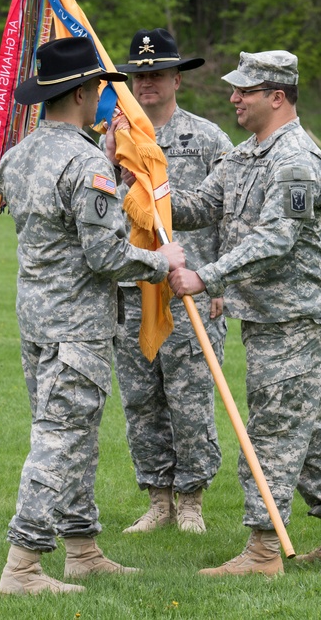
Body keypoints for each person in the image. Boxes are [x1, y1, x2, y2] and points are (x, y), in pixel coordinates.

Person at [0, 37, 186, 595]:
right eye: (100, 89)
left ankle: (81, 549)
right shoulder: (83, 164)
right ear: (81, 92)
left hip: (37, 319)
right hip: (76, 325)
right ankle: (23, 566)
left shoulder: (20, 154)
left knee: (71, 437)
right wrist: (161, 259)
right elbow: (104, 255)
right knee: (60, 442)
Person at [167, 51, 321, 576]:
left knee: (272, 432)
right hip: (261, 315)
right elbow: (196, 207)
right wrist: (140, 179)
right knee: (305, 423)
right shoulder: (243, 156)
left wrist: (206, 276)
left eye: (245, 91)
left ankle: (261, 552)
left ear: (277, 97)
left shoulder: (295, 159)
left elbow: (279, 239)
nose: (233, 97)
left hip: (294, 316)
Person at [111, 29, 232, 534]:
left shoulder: (207, 139)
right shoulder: (114, 140)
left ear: (176, 78)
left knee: (191, 399)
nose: (148, 84)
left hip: (190, 296)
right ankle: (158, 500)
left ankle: (191, 503)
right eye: (140, 76)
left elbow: (231, 214)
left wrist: (220, 283)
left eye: (157, 74)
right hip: (133, 291)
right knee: (142, 401)